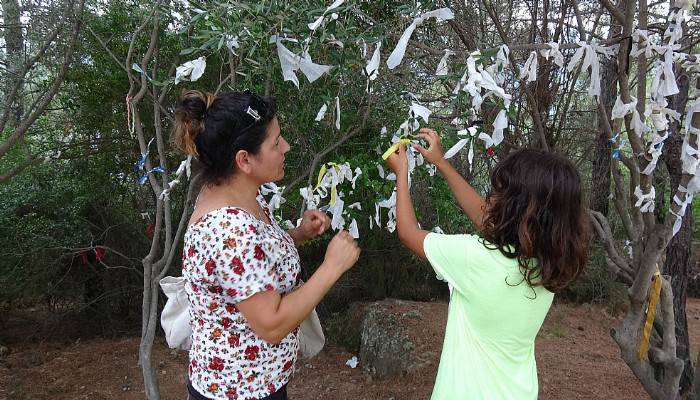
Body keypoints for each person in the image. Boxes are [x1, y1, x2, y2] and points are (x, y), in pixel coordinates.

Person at [172, 90, 360, 400]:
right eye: (275, 143)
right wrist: (332, 267)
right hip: (239, 392)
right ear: (244, 160)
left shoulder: (238, 192)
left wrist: (297, 234)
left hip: (256, 382)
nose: (285, 147)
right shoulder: (229, 229)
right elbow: (271, 324)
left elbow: (251, 266)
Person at [385, 128, 588, 400]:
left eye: (499, 192)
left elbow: (409, 234)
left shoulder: (476, 258)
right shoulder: (549, 265)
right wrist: (441, 163)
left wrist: (401, 173)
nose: (491, 197)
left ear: (517, 209)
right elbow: (490, 222)